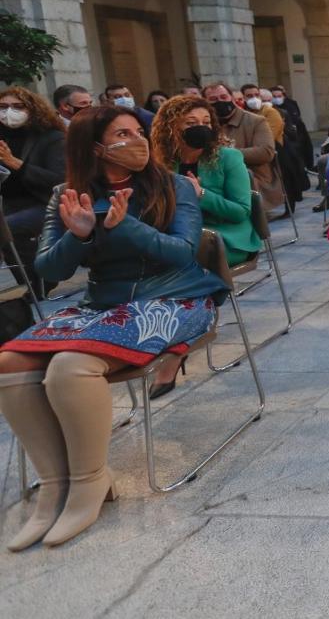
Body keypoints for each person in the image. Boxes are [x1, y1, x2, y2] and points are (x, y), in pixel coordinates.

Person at [0, 106, 224, 551]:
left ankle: (89, 481)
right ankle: (54, 484)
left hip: (175, 297)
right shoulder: (67, 193)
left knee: (69, 365)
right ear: (96, 147)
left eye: (138, 131)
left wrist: (126, 228)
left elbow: (181, 253)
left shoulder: (173, 185)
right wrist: (79, 235)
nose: (137, 140)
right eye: (123, 133)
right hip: (103, 303)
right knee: (8, 361)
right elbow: (48, 269)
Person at [148, 95, 262, 398]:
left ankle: (175, 347)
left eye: (205, 122)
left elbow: (241, 210)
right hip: (180, 237)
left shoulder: (228, 158)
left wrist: (200, 195)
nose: (201, 128)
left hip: (225, 236)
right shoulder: (160, 161)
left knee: (186, 256)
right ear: (170, 127)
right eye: (190, 123)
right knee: (152, 255)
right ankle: (157, 330)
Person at [0, 87, 66, 297]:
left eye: (17, 106)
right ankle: (36, 281)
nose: (9, 112)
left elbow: (58, 180)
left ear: (32, 109)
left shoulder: (51, 137)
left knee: (8, 229)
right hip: (9, 202)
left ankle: (39, 282)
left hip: (44, 201)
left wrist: (14, 163)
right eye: (2, 107)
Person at [202, 82, 280, 213]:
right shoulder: (204, 123)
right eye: (213, 100)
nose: (220, 102)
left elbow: (266, 152)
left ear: (232, 98)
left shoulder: (255, 121)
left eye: (223, 97)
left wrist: (226, 155)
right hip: (213, 177)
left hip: (253, 177)